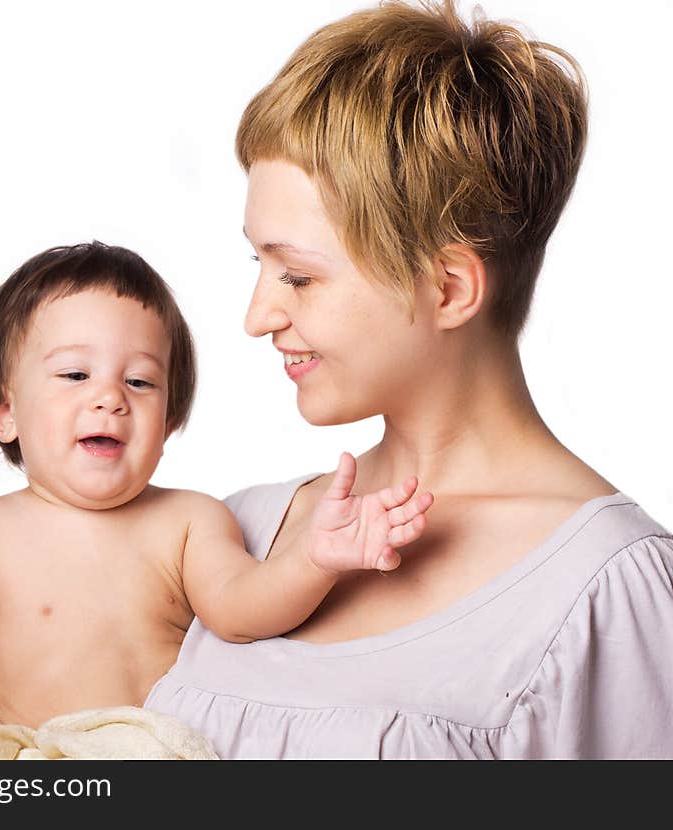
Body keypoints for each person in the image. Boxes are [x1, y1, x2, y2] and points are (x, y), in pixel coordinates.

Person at [143, 0, 673, 758]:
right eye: (257, 264)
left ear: (450, 289)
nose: (257, 316)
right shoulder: (235, 536)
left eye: (297, 275)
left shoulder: (608, 592)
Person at [0, 241, 432, 755]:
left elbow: (245, 613)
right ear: (4, 410)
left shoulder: (189, 520)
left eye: (139, 380)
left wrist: (313, 558)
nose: (111, 397)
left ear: (168, 423)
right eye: (76, 374)